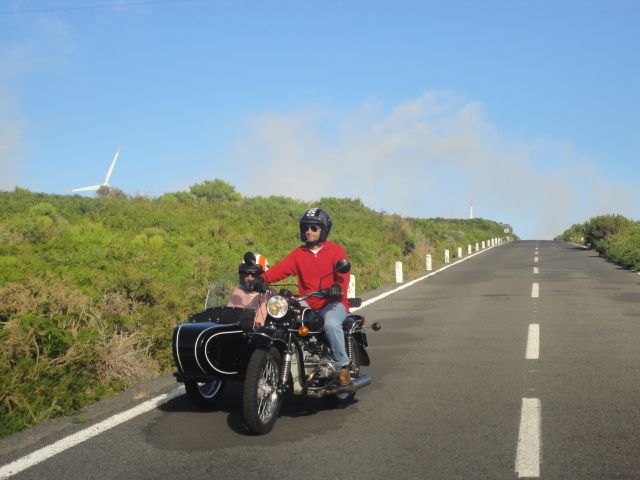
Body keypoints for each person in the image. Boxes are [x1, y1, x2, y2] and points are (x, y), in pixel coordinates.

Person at [259, 208, 352, 385]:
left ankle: (343, 366)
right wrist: (262, 279)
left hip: (332, 303)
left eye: (314, 228)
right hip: (307, 302)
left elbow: (342, 277)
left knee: (331, 324)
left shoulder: (335, 250)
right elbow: (280, 269)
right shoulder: (299, 253)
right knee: (279, 318)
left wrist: (336, 288)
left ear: (323, 230)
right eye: (306, 227)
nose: (309, 231)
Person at [226, 252, 271, 328]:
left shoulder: (269, 295)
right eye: (246, 274)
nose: (249, 278)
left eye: (254, 274)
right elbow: (228, 315)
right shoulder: (238, 292)